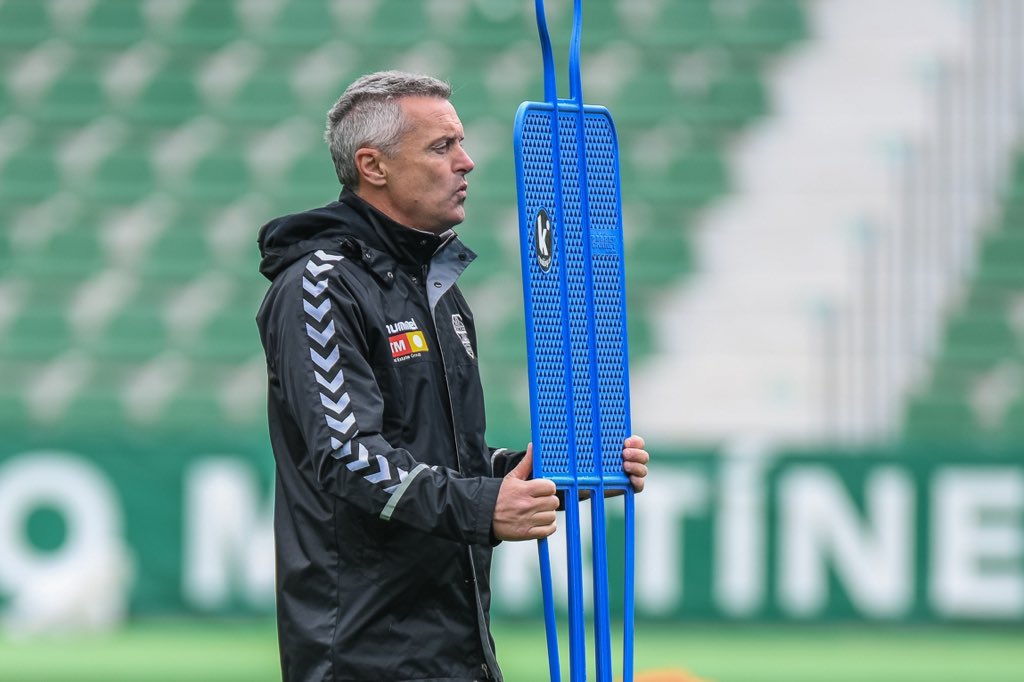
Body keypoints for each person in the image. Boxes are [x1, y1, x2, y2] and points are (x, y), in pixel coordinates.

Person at [256, 70, 650, 682]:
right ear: (373, 165)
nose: (466, 163)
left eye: (461, 143)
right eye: (441, 147)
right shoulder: (321, 284)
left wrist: (543, 472)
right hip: (365, 656)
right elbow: (347, 455)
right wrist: (486, 506)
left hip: (457, 648)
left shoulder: (437, 288)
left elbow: (447, 455)